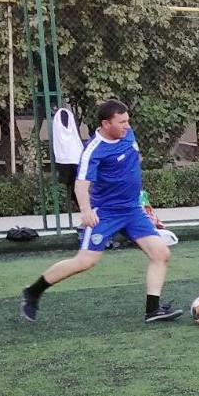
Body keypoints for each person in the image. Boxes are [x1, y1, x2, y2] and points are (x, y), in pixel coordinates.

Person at [19, 99, 184, 324]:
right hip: (106, 213)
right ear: (106, 124)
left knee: (161, 253)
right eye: (121, 122)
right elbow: (81, 185)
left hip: (133, 210)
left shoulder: (127, 133)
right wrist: (86, 210)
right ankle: (33, 292)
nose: (127, 126)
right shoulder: (93, 150)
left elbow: (131, 161)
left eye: (127, 121)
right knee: (85, 261)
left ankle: (152, 311)